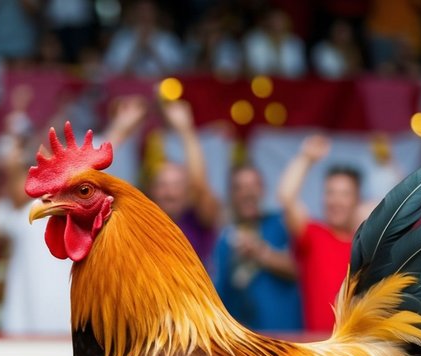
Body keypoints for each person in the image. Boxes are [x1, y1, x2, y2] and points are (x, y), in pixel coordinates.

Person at [0, 95, 147, 335]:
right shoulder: (16, 213)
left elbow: (86, 176)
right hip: (23, 335)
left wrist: (121, 129)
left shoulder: (67, 207)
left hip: (75, 330)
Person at [278, 134, 362, 335]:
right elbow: (286, 197)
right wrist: (306, 157)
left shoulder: (367, 246)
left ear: (356, 200)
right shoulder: (314, 235)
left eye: (344, 194)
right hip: (317, 352)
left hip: (357, 352)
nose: (336, 201)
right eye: (330, 193)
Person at [211, 164, 301, 333]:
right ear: (231, 195)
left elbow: (302, 268)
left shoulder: (281, 224)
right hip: (249, 347)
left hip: (289, 342)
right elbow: (220, 297)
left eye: (253, 186)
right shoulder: (224, 240)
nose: (247, 192)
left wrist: (260, 253)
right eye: (240, 187)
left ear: (263, 189)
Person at [149, 99, 221, 271]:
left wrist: (186, 130)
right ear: (152, 191)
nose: (169, 192)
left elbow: (199, 185)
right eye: (163, 185)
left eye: (176, 185)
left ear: (188, 192)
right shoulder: (144, 223)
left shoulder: (198, 219)